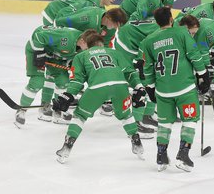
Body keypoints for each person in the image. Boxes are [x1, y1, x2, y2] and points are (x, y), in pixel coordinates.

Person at [53, 33, 146, 163]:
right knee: (126, 115)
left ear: (88, 45)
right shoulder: (114, 53)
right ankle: (137, 144)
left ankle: (66, 148)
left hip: (97, 88)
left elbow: (77, 81)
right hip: (120, 87)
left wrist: (68, 95)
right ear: (102, 44)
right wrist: (139, 87)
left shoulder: (81, 56)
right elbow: (130, 73)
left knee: (79, 116)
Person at [139, 7, 210, 172]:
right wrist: (203, 74)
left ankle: (161, 156)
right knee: (190, 120)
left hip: (163, 90)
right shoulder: (181, 33)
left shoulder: (148, 40)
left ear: (157, 22)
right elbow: (194, 54)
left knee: (164, 122)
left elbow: (147, 68)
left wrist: (150, 88)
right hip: (184, 88)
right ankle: (183, 155)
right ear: (171, 19)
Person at [15, 27, 96, 128]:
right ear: (82, 41)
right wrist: (39, 53)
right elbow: (39, 36)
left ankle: (57, 110)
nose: (88, 51)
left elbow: (69, 56)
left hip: (54, 56)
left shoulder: (82, 45)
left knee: (63, 81)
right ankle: (22, 109)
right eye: (88, 47)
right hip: (37, 50)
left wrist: (70, 63)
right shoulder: (66, 38)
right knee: (37, 82)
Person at [174, 0, 214, 96]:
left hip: (193, 35)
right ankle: (195, 86)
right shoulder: (204, 13)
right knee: (195, 58)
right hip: (181, 32)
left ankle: (206, 83)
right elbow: (186, 25)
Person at [112, 17, 160, 135]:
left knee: (152, 79)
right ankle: (136, 122)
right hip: (127, 43)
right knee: (140, 83)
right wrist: (140, 65)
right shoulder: (164, 32)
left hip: (134, 41)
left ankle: (147, 115)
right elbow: (145, 45)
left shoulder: (168, 28)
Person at [178, 15, 214, 101]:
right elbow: (202, 50)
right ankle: (195, 92)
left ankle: (202, 87)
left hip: (194, 43)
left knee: (202, 67)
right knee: (195, 65)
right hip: (184, 43)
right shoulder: (210, 32)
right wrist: (207, 67)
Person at [53, 6, 127, 46]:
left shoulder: (110, 29)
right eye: (116, 25)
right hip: (59, 20)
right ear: (110, 18)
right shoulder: (87, 18)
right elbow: (59, 22)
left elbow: (105, 44)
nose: (116, 28)